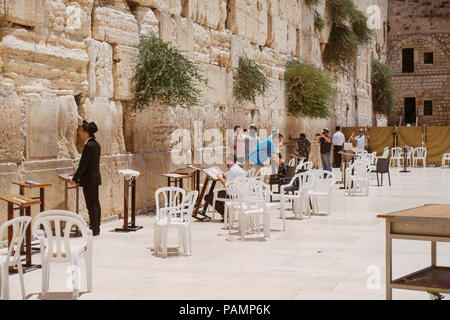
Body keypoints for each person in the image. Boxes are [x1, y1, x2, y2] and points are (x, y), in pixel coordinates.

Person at [71, 120, 102, 236]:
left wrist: (75, 179)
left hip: (89, 179)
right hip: (95, 178)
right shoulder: (96, 144)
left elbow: (83, 165)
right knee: (95, 203)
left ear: (86, 132)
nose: (79, 133)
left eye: (81, 130)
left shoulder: (88, 146)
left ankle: (94, 229)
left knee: (91, 204)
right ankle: (96, 226)